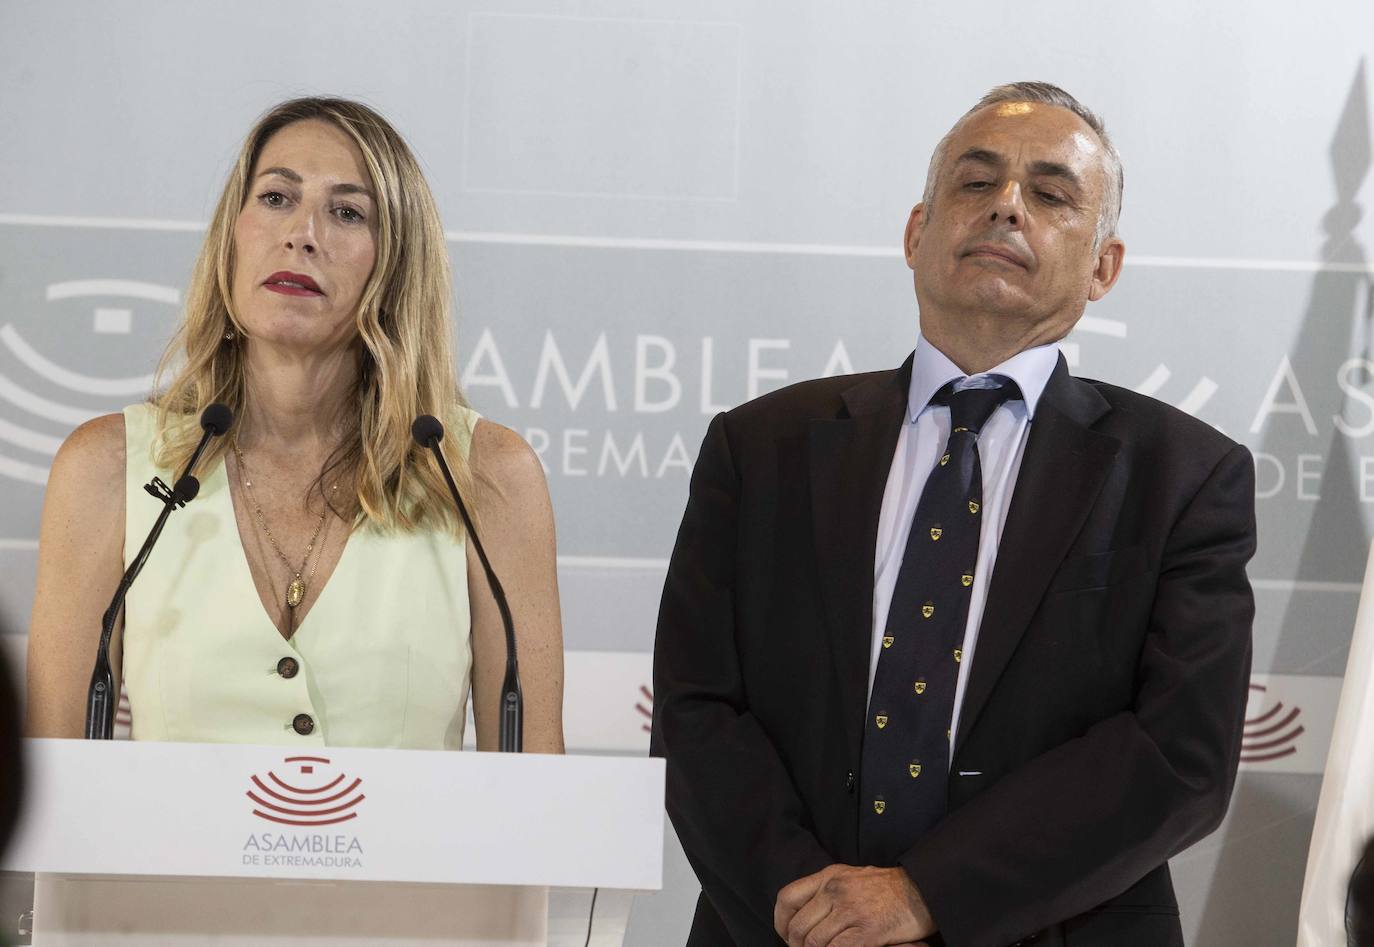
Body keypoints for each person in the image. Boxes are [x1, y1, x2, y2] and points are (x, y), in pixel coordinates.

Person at [652, 82, 1256, 946]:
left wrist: (924, 894)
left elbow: (1179, 755)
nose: (1008, 206)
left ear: (1103, 266)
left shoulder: (1185, 475)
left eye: (1050, 194)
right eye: (976, 184)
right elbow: (695, 706)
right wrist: (816, 914)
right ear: (915, 233)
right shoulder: (761, 448)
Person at [26, 97, 564, 753]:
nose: (302, 233)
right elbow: (52, 796)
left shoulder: (484, 474)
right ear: (233, 235)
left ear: (394, 263)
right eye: (277, 197)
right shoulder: (109, 467)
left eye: (347, 211)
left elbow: (537, 798)